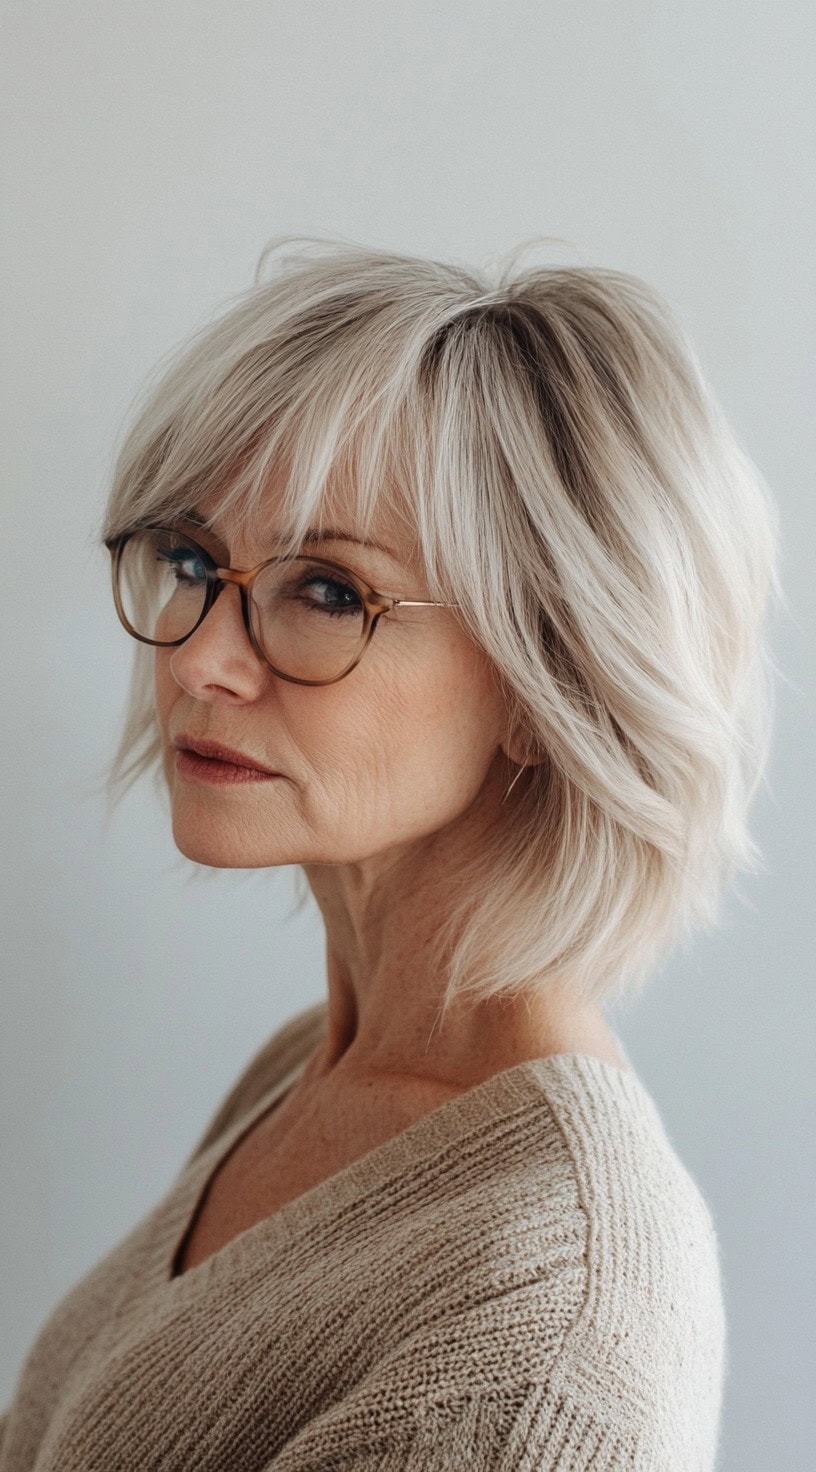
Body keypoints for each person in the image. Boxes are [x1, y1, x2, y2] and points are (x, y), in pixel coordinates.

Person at [0, 238, 780, 1470]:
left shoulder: (550, 1323)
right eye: (196, 562)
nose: (201, 657)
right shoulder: (316, 1066)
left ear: (546, 685)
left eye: (323, 591)